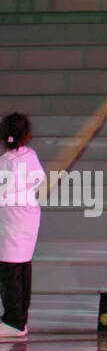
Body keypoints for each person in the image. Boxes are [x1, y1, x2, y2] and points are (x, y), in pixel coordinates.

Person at [0, 113, 39, 339]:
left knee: (9, 269)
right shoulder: (31, 156)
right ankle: (20, 318)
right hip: (29, 217)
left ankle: (14, 319)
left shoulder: (4, 163)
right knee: (23, 266)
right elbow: (39, 181)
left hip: (10, 220)